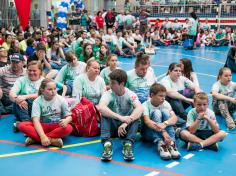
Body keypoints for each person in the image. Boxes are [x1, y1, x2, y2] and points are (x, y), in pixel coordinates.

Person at [98, 69, 143, 161]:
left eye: (113, 83)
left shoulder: (130, 94)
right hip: (113, 127)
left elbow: (140, 108)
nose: (110, 85)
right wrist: (121, 118)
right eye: (110, 82)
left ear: (122, 84)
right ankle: (107, 144)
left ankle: (128, 144)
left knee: (135, 116)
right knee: (105, 114)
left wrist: (126, 122)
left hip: (125, 129)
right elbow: (101, 107)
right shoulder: (108, 94)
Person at [18, 78, 72, 148]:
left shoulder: (61, 99)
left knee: (69, 128)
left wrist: (66, 120)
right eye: (50, 89)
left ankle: (36, 139)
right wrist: (42, 136)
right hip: (42, 126)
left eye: (55, 89)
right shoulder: (37, 101)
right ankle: (52, 140)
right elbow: (36, 121)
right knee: (22, 125)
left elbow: (69, 116)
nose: (53, 91)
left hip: (57, 126)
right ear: (42, 91)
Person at [142, 83, 181, 160]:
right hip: (148, 133)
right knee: (156, 112)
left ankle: (171, 143)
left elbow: (174, 118)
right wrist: (163, 131)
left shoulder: (165, 103)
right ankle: (161, 144)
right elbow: (147, 122)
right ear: (152, 95)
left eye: (164, 96)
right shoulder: (145, 105)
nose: (163, 98)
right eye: (160, 96)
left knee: (165, 112)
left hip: (163, 132)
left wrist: (165, 123)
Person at [9, 61, 44, 131]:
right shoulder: (21, 80)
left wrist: (26, 97)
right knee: (19, 97)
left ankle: (21, 125)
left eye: (34, 71)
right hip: (22, 108)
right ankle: (27, 123)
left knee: (25, 98)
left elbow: (43, 95)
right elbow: (11, 93)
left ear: (40, 71)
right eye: (29, 70)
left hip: (37, 108)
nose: (31, 73)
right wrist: (17, 99)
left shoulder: (44, 81)